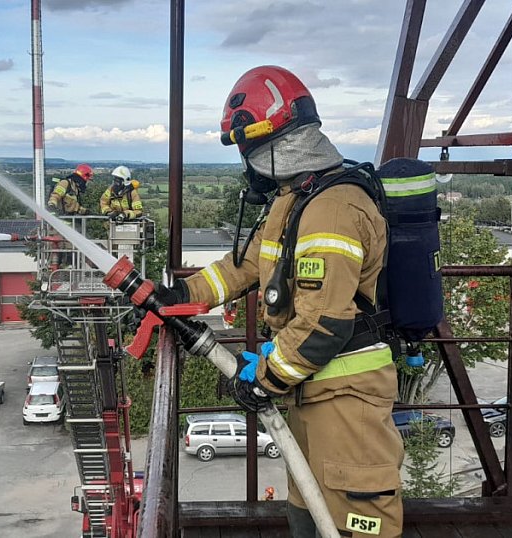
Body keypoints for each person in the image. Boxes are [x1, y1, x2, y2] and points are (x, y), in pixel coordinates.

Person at [168, 66, 404, 536]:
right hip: (313, 389)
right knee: (307, 510)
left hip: (346, 396)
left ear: (273, 144)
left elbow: (324, 324)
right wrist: (182, 295)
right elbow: (247, 266)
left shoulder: (331, 210)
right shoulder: (295, 198)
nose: (247, 165)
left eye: (248, 152)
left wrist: (265, 381)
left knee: (357, 521)